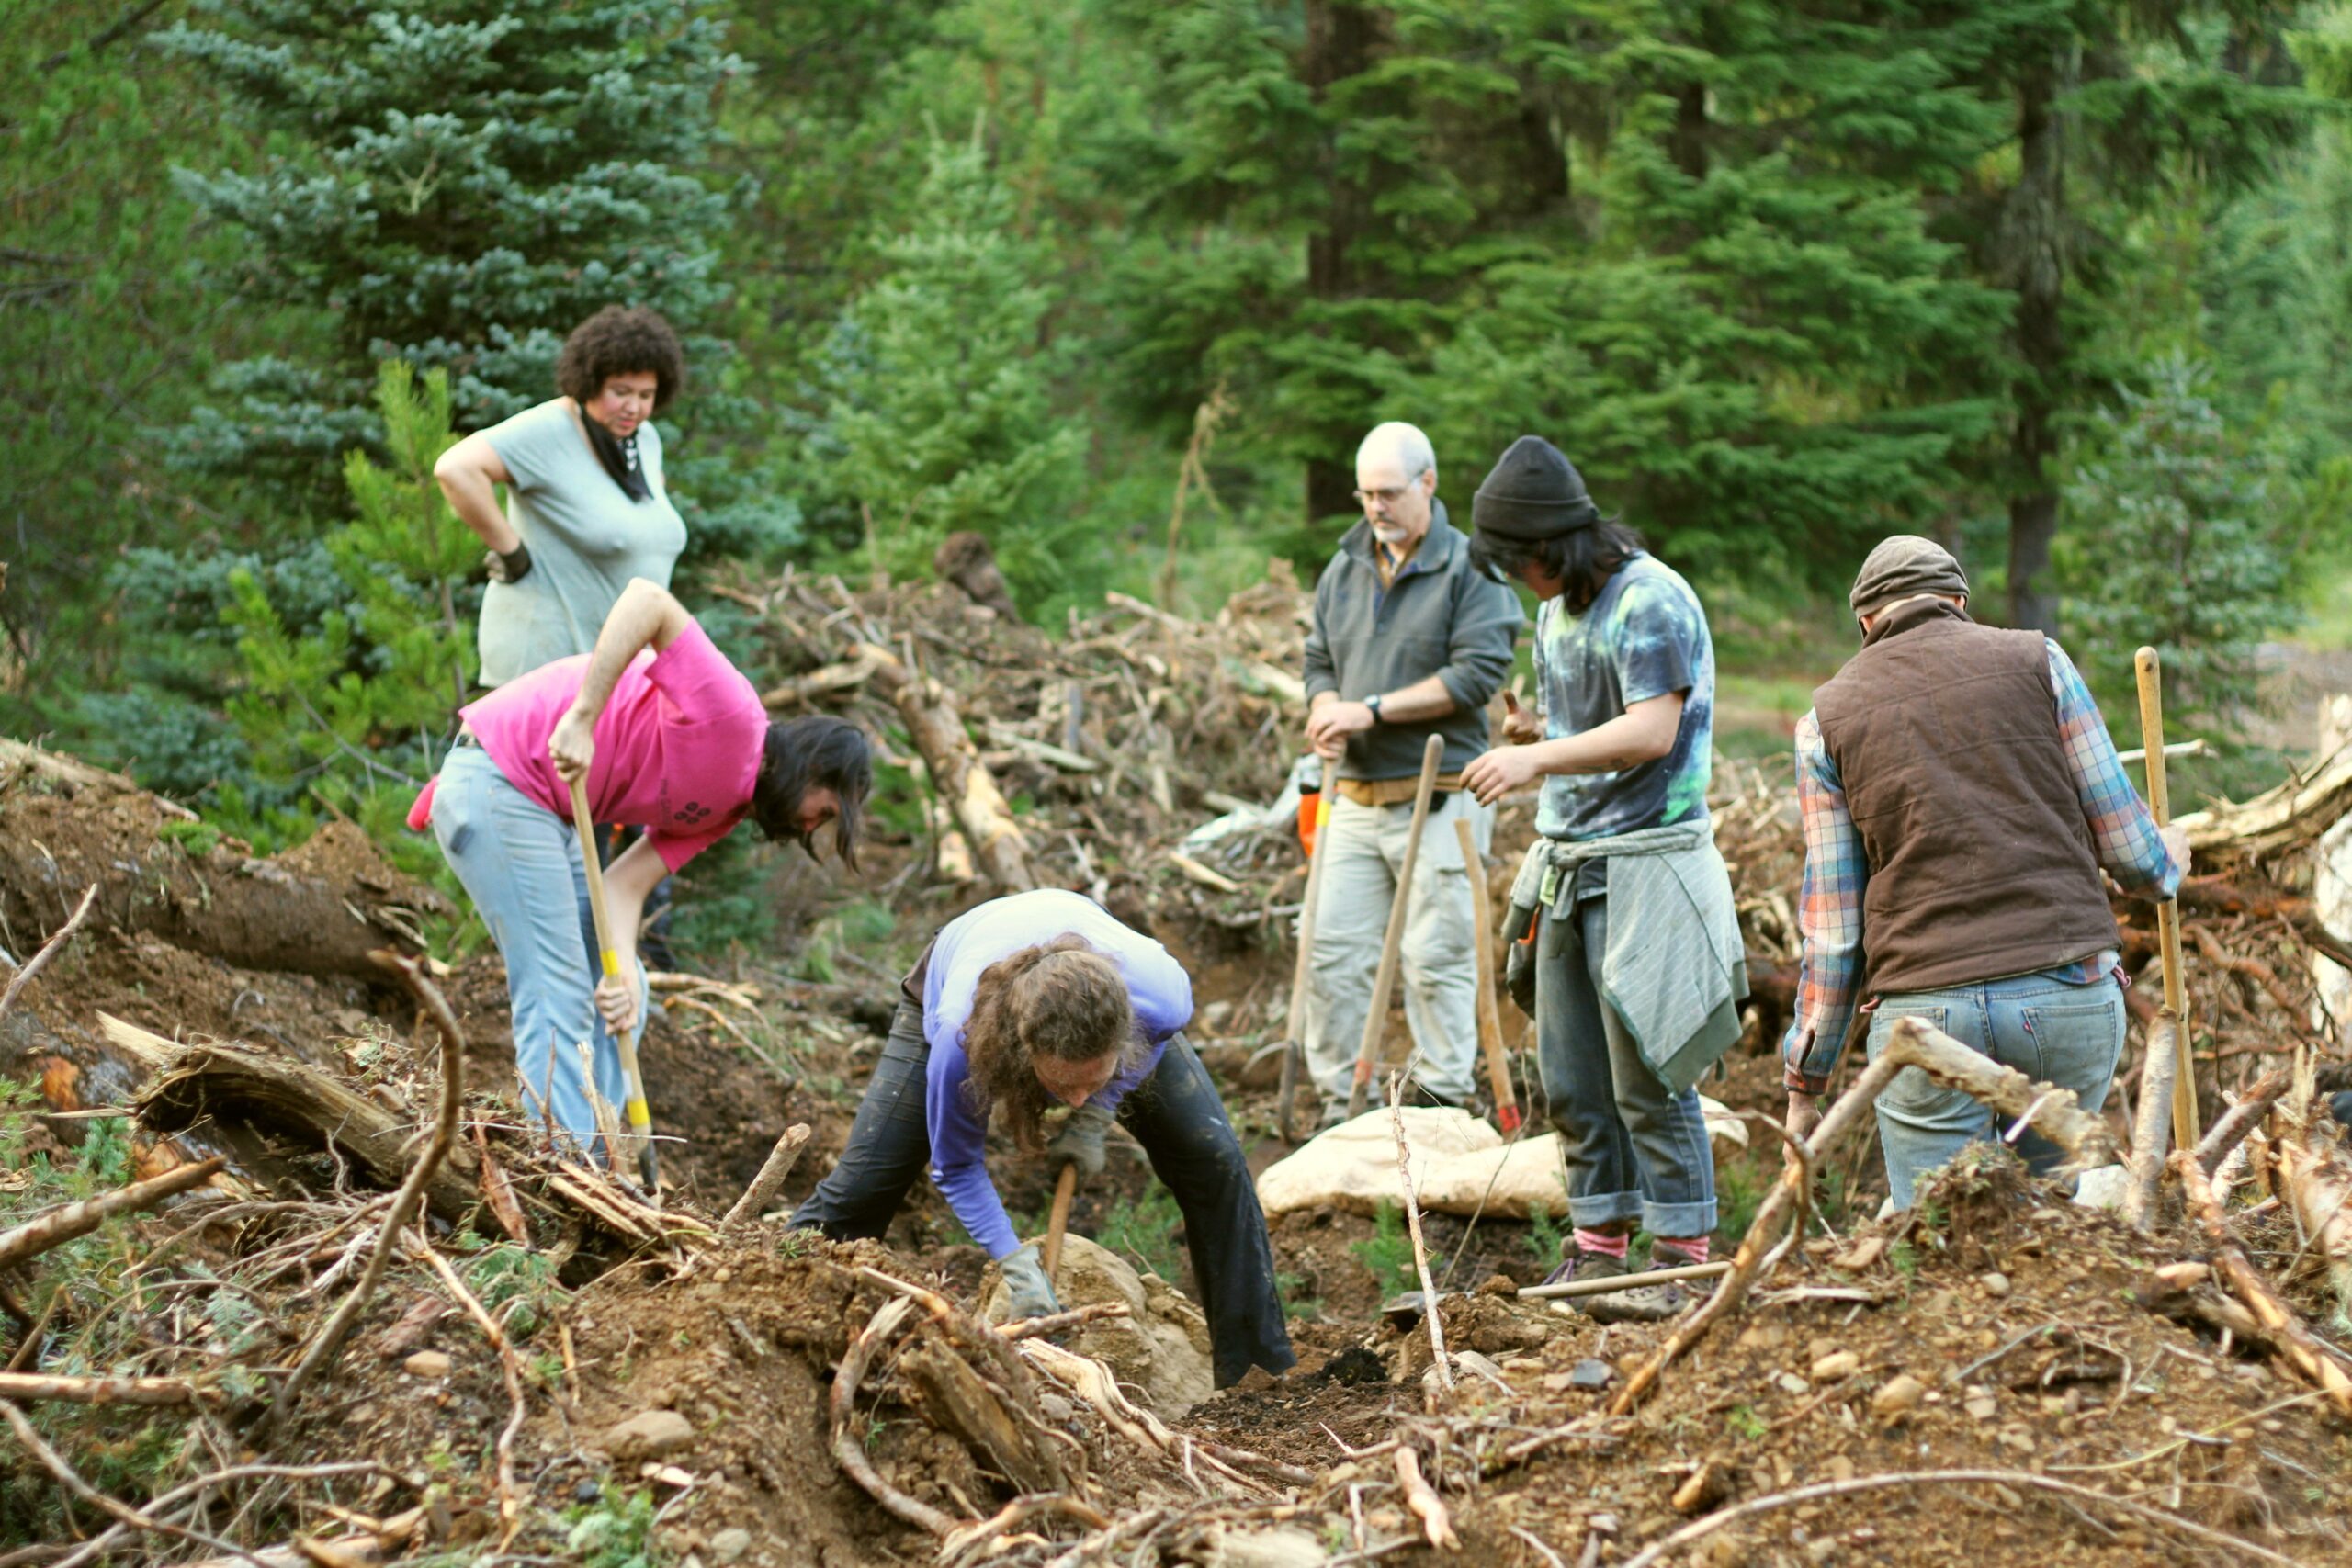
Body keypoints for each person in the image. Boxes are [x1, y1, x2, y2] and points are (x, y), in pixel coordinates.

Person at [1779, 536, 2188, 1210]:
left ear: (1866, 624)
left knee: (1936, 1245)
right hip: (2065, 1000)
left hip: (1926, 1016)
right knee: (2049, 1233)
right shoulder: (2039, 660)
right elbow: (2136, 859)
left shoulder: (1823, 722)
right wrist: (2172, 854)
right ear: (1960, 602)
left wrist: (1808, 1080)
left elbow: (1835, 933)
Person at [407, 578, 870, 1154]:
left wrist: (620, 969)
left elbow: (624, 886)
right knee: (559, 994)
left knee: (630, 990)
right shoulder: (733, 718)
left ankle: (600, 1158)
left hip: (543, 812)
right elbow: (648, 600)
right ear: (812, 768)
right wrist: (582, 716)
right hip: (499, 780)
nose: (809, 827)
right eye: (821, 812)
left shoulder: (723, 810)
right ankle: (563, 1171)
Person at [791, 888, 1295, 1388]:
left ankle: (1257, 1372)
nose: (1072, 1101)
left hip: (1095, 984)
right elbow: (958, 1165)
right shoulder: (958, 1037)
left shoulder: (1159, 1001)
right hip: (964, 973)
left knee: (1214, 1158)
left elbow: (1150, 1047)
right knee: (866, 1184)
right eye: (1061, 1085)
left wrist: (1096, 1112)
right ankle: (777, 1294)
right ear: (1024, 1053)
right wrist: (1014, 1261)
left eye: (1091, 1081)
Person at [1462, 435, 1744, 1322]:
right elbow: (1597, 726)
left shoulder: (1650, 599)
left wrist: (1538, 758)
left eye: (1520, 563)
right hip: (1571, 863)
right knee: (1575, 1077)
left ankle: (1682, 1256)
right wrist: (1535, 731)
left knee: (1650, 1072)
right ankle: (1598, 1249)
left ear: (1554, 546)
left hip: (1648, 863)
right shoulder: (1559, 611)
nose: (1518, 580)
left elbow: (1652, 730)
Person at [1298, 422, 1521, 1124]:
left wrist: (1370, 710)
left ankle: (1441, 1101)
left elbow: (1478, 671)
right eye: (1365, 494)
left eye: (1389, 492)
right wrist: (1326, 702)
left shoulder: (1470, 568)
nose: (1375, 507)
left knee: (1436, 954)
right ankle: (1341, 1102)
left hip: (1441, 798)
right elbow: (1318, 657)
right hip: (1354, 800)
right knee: (1331, 952)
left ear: (1428, 483)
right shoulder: (1345, 565)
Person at [435, 305, 692, 688]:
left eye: (645, 395)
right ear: (590, 381)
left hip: (617, 671)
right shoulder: (551, 429)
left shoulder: (643, 441)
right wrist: (511, 552)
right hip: (547, 667)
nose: (634, 407)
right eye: (620, 392)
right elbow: (455, 468)